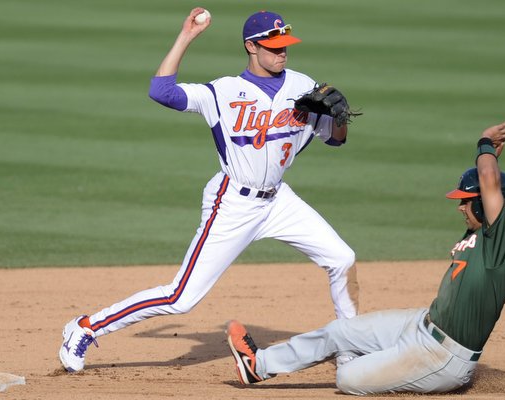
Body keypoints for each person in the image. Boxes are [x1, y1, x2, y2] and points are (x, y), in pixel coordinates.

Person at [58, 8, 360, 373]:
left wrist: (340, 118)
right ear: (251, 46)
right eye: (273, 46)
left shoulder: (302, 86)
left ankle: (349, 345)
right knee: (180, 298)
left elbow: (335, 140)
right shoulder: (223, 91)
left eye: (285, 46)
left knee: (342, 259)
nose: (281, 53)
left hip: (279, 200)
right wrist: (186, 36)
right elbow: (161, 91)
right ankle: (86, 328)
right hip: (232, 202)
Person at [226, 122, 505, 395]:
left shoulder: (504, 238)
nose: (460, 208)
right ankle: (258, 365)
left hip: (443, 357)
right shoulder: (487, 232)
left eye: (466, 202)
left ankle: (373, 362)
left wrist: (485, 143)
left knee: (347, 378)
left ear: (486, 204)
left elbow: (490, 180)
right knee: (338, 331)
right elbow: (490, 184)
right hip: (420, 323)